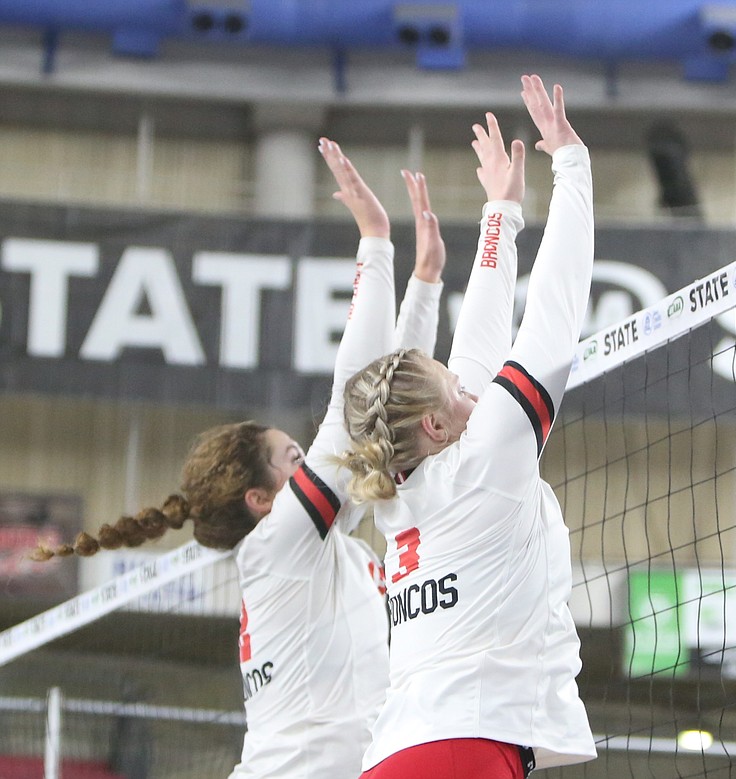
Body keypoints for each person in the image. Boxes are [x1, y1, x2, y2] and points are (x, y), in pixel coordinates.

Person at [32, 138, 447, 779]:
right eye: (292, 457)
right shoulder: (280, 545)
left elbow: (384, 412)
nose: (312, 461)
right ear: (263, 499)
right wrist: (375, 243)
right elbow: (350, 407)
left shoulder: (328, 554)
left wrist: (424, 286)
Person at [339, 74, 596, 779]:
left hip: (397, 753)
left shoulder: (399, 494)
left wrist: (502, 214)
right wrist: (572, 165)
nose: (470, 385)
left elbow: (478, 350)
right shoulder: (486, 457)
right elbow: (555, 311)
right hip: (464, 752)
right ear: (436, 424)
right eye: (456, 388)